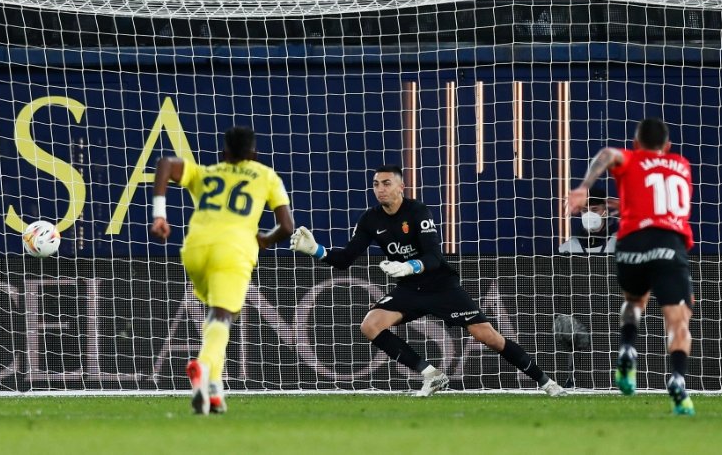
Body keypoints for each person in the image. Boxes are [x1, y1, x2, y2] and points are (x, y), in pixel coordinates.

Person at [291, 164, 566, 398]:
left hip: (441, 286)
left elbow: (434, 257)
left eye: (386, 183)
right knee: (370, 325)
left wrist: (408, 266)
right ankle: (431, 374)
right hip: (410, 290)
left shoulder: (417, 211)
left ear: (401, 187)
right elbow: (345, 259)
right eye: (376, 184)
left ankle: (546, 382)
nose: (380, 189)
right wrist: (316, 250)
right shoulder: (370, 219)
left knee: (488, 336)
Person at [150, 126, 294, 415]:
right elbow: (287, 227)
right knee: (223, 316)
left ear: (223, 153)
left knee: (215, 315)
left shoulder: (206, 172)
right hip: (233, 250)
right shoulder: (266, 176)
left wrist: (159, 215)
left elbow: (165, 163)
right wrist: (266, 239)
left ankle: (214, 390)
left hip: (194, 249)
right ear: (254, 154)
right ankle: (203, 367)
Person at [565, 117, 696, 415]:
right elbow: (658, 200)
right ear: (668, 146)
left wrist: (584, 187)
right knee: (678, 320)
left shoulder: (632, 159)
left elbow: (608, 154)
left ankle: (627, 347)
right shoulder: (682, 165)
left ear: (636, 144)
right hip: (668, 243)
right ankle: (677, 379)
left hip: (631, 244)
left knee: (635, 301)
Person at [560, 186, 617, 253]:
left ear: (605, 212)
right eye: (585, 210)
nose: (589, 214)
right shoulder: (567, 248)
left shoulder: (618, 243)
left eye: (594, 210)